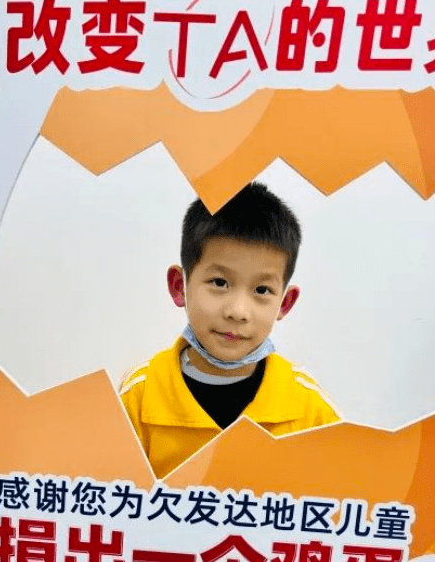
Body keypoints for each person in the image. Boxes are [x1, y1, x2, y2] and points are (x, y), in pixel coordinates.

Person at [120, 182, 339, 477]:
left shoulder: (310, 408)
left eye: (262, 290)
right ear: (179, 286)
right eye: (219, 283)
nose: (237, 311)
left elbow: (342, 491)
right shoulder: (137, 396)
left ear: (285, 303)